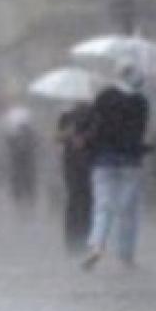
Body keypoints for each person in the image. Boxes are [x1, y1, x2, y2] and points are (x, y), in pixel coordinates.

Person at [81, 64, 150, 271]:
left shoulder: (104, 97)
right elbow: (140, 131)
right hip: (130, 160)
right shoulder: (140, 102)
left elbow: (93, 122)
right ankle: (126, 255)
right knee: (128, 210)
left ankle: (96, 245)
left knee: (102, 205)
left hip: (103, 158)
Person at [57, 101, 93, 253]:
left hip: (89, 164)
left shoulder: (95, 117)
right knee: (75, 201)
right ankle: (72, 240)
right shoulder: (66, 117)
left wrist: (86, 137)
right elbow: (58, 137)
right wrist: (70, 134)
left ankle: (83, 238)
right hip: (72, 165)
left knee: (86, 202)